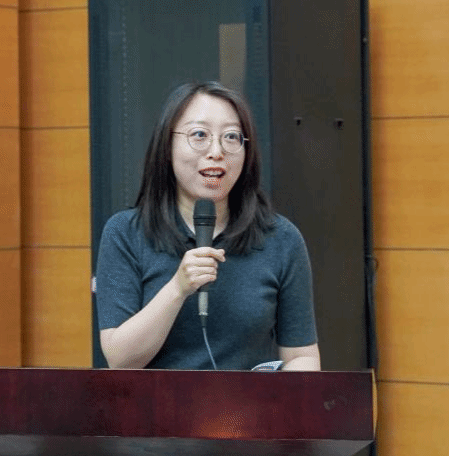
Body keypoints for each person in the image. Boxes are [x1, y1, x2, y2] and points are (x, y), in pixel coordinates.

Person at [94, 81, 321, 371]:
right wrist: (177, 289)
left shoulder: (281, 239)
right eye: (199, 135)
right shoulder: (126, 233)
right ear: (167, 146)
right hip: (156, 401)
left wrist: (279, 393)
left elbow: (302, 356)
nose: (216, 151)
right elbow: (120, 360)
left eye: (231, 137)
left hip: (249, 402)